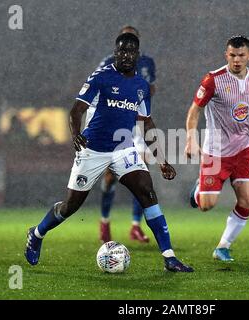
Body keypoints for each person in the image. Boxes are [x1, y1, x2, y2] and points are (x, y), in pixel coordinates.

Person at [24, 33, 193, 272]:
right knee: (70, 206)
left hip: (123, 149)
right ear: (115, 53)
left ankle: (169, 257)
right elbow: (75, 111)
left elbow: (146, 123)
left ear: (137, 55)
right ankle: (37, 233)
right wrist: (76, 135)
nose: (126, 55)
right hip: (92, 148)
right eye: (121, 51)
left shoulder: (141, 86)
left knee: (147, 192)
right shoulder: (101, 78)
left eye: (131, 51)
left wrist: (161, 160)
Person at [185, 35, 249, 262]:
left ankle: (223, 246)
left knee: (247, 201)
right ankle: (198, 192)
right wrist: (190, 139)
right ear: (226, 55)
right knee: (207, 206)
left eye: (241, 55)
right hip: (215, 151)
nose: (237, 60)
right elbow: (194, 111)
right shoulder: (213, 80)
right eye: (233, 55)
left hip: (244, 148)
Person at [97, 26, 156, 244]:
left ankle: (135, 226)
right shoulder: (106, 63)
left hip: (137, 121)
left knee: (142, 174)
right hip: (115, 122)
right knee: (111, 176)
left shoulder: (147, 63)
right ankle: (104, 221)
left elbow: (151, 88)